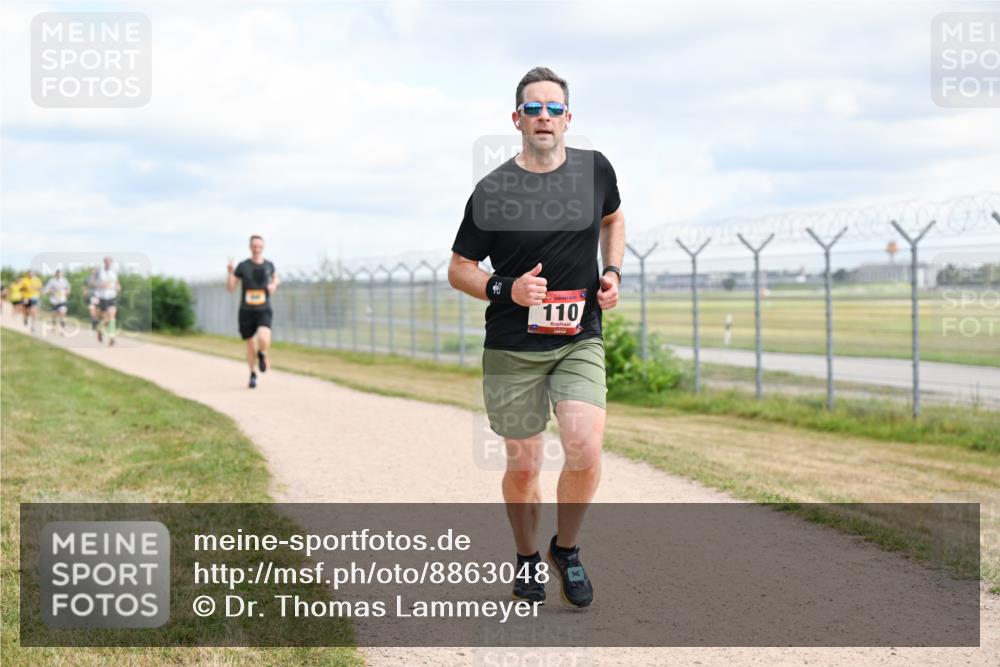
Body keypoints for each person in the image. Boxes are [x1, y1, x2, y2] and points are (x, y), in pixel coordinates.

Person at [448, 67, 625, 608]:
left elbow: (614, 220)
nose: (543, 117)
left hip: (578, 338)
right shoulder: (494, 189)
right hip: (513, 347)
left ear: (568, 118)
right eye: (533, 108)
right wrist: (508, 288)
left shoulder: (596, 170)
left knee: (585, 447)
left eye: (553, 108)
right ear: (516, 118)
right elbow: (459, 268)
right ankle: (527, 559)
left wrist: (613, 273)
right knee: (524, 464)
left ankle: (565, 551)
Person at [227, 235, 279, 389]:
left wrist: (274, 285)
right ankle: (252, 374)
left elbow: (276, 278)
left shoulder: (270, 265)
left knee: (263, 338)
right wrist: (230, 272)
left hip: (264, 309)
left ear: (263, 247)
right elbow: (231, 288)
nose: (257, 249)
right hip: (246, 311)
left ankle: (262, 354)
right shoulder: (243, 266)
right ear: (250, 247)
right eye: (254, 246)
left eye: (259, 246)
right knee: (250, 344)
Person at [93, 257, 121, 345]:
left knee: (112, 316)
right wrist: (100, 284)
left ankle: (112, 337)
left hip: (112, 296)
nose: (108, 263)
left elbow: (117, 284)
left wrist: (118, 287)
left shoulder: (114, 272)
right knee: (106, 318)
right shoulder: (99, 271)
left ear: (111, 263)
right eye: (106, 261)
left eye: (109, 262)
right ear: (104, 262)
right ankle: (99, 329)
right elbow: (92, 282)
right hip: (102, 297)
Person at [44, 269, 72, 334]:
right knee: (54, 314)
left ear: (62, 274)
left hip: (62, 299)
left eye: (60, 274)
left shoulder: (65, 280)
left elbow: (68, 288)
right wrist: (51, 291)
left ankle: (63, 328)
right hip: (54, 300)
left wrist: (67, 292)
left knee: (63, 313)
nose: (59, 275)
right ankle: (54, 324)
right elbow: (46, 290)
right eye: (57, 273)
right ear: (55, 274)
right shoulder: (51, 281)